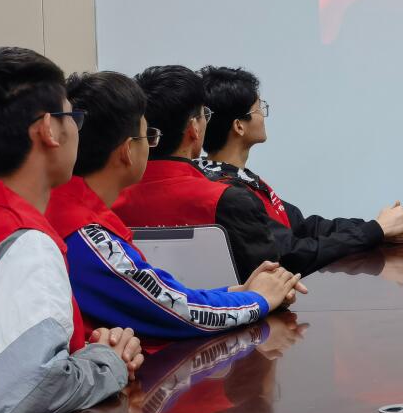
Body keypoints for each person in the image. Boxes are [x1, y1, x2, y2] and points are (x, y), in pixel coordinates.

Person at [0, 47, 141, 413]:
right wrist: (108, 361)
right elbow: (19, 400)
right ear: (49, 130)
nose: (77, 131)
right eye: (73, 117)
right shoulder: (24, 243)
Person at [47, 71, 304, 342]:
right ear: (127, 151)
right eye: (148, 136)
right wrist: (258, 299)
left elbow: (164, 295)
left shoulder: (68, 209)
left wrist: (239, 293)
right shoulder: (84, 233)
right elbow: (177, 309)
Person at [195, 65, 403, 275]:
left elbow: (307, 227)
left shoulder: (240, 179)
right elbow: (292, 254)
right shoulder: (229, 195)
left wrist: (379, 229)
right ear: (239, 126)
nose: (263, 115)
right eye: (258, 108)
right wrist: (375, 230)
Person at [113, 65, 282, 282]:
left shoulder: (111, 201)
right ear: (194, 128)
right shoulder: (228, 200)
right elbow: (269, 284)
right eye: (205, 115)